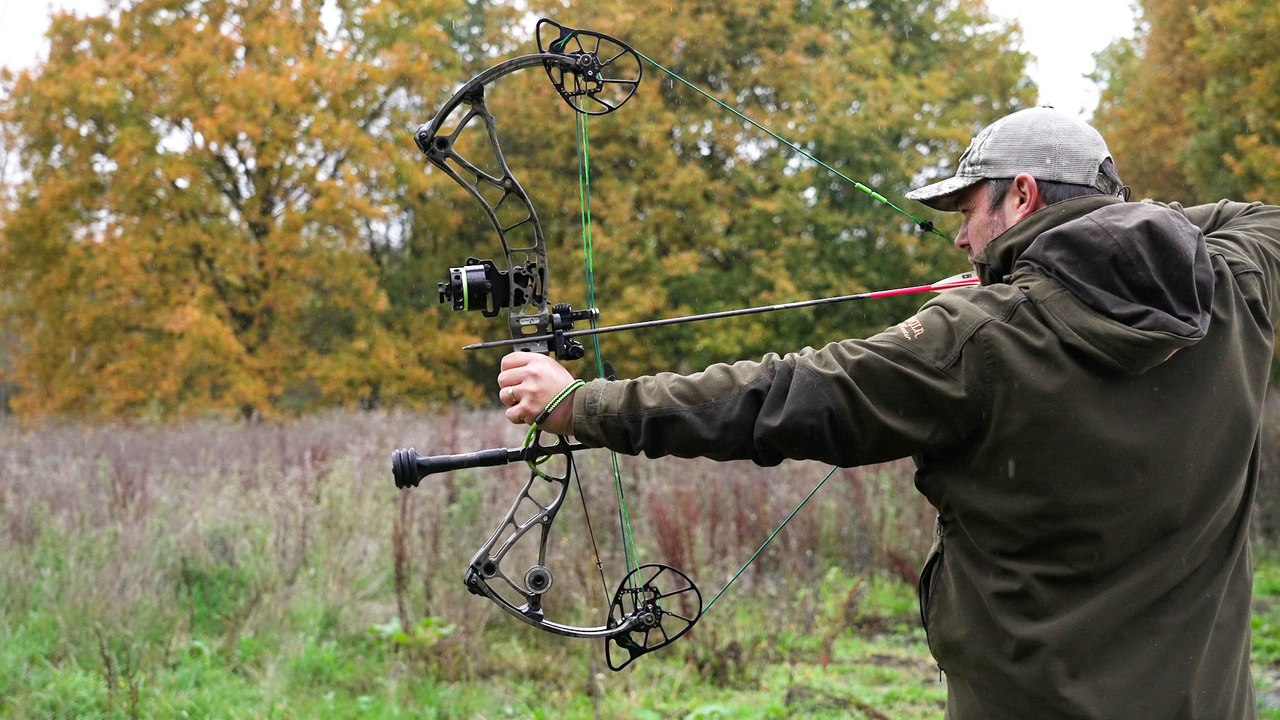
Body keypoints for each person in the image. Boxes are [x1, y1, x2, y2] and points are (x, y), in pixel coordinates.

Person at [495, 106, 1280, 719]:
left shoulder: (978, 339)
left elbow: (780, 397)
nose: (964, 239)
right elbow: (1256, 216)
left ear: (1023, 195)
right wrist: (1075, 257)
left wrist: (579, 403)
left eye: (970, 211)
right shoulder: (1231, 288)